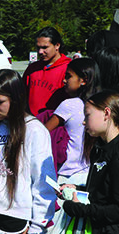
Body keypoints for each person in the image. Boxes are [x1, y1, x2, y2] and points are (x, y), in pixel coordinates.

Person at [0, 69, 56, 233]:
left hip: (16, 218)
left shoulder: (34, 130)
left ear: (15, 99)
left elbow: (43, 181)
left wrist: (38, 226)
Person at [45, 58, 101, 233]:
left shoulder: (69, 105)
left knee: (59, 227)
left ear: (83, 80)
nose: (64, 81)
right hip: (90, 178)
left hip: (67, 179)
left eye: (68, 76)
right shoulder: (101, 106)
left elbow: (42, 132)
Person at [61, 90, 119, 233]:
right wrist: (76, 190)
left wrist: (82, 210)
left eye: (88, 115)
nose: (83, 121)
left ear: (106, 113)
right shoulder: (98, 148)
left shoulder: (116, 152)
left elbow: (116, 209)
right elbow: (100, 194)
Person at [23, 26, 72, 116]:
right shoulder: (32, 68)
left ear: (57, 45)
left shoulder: (69, 68)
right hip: (32, 122)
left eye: (45, 47)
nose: (40, 52)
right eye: (38, 48)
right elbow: (22, 96)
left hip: (56, 125)